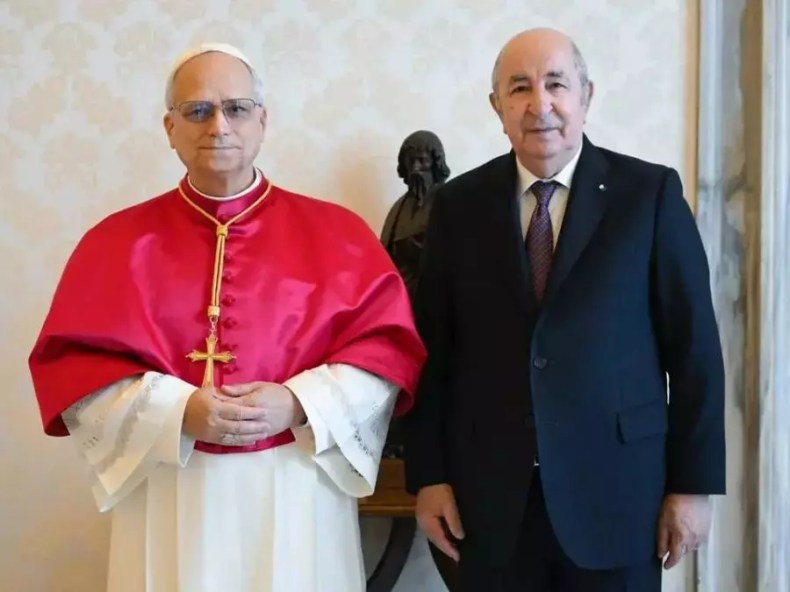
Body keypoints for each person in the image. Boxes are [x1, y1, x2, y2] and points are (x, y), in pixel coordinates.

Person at [28, 43, 426, 592]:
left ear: (262, 121)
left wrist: (297, 402)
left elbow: (387, 354)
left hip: (296, 481)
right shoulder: (115, 243)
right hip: (170, 484)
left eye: (236, 108)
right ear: (170, 128)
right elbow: (75, 368)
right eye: (198, 111)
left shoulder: (339, 235)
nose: (218, 126)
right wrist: (177, 410)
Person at [403, 28, 725, 591]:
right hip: (491, 503)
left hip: (620, 498)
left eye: (556, 84)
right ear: (497, 107)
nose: (540, 104)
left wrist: (692, 485)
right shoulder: (458, 207)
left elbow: (694, 350)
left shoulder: (647, 195)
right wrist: (428, 476)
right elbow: (433, 354)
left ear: (586, 95)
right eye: (519, 88)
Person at [380, 130, 451, 459]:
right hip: (402, 304)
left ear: (436, 164)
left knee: (435, 375)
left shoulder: (450, 202)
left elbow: (456, 252)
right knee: (398, 371)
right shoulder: (400, 207)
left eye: (423, 161)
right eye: (411, 162)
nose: (417, 169)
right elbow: (384, 255)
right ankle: (397, 439)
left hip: (437, 304)